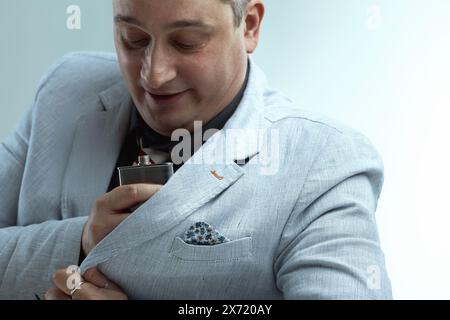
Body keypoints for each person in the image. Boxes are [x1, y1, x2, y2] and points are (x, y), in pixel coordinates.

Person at [0, 0, 392, 300]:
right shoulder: (65, 87)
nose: (154, 74)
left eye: (187, 43)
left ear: (250, 26)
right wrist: (79, 240)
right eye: (132, 38)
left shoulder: (324, 162)